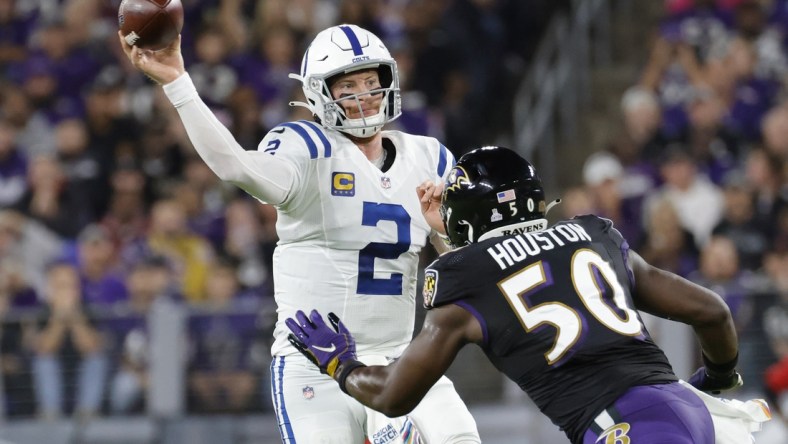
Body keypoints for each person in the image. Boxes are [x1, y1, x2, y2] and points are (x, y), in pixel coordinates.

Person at [118, 24, 479, 443]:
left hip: (400, 358)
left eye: (370, 82)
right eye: (348, 86)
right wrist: (179, 83)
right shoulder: (305, 145)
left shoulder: (429, 156)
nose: (363, 95)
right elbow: (238, 167)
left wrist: (446, 233)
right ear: (320, 94)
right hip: (314, 363)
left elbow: (464, 270)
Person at [286, 146, 773, 444]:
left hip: (624, 426)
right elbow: (712, 311)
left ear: (465, 218)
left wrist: (342, 366)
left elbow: (393, 396)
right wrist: (719, 376)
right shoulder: (593, 234)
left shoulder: (465, 276)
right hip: (684, 409)